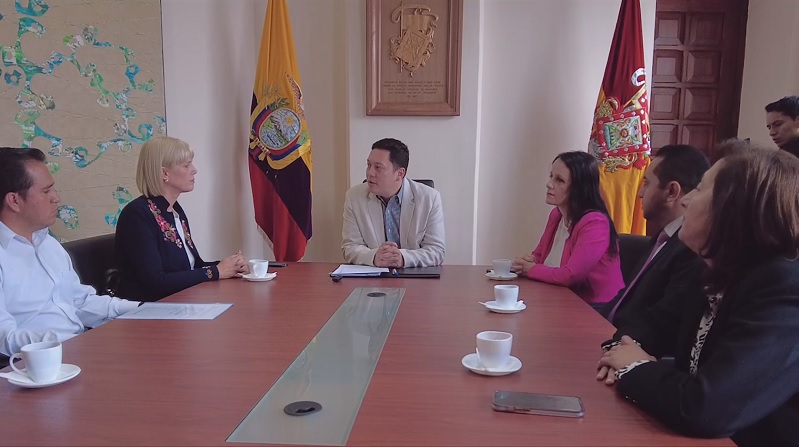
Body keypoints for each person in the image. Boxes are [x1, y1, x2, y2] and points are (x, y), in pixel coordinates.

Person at [597, 148, 799, 445]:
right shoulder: (711, 269)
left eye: (701, 189)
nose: (686, 200)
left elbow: (706, 407)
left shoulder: (784, 290)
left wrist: (634, 367)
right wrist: (620, 351)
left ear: (734, 209)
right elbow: (653, 323)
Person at [0, 147, 141, 357]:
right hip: (39, 362)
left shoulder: (48, 244)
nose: (56, 198)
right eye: (46, 191)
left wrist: (139, 309)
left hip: (80, 347)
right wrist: (62, 341)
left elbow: (80, 302)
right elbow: (4, 338)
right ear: (14, 201)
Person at [115, 137, 246, 301]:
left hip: (181, 301)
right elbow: (156, 282)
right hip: (152, 309)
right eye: (186, 165)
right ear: (164, 173)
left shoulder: (175, 210)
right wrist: (217, 271)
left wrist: (231, 266)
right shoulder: (138, 215)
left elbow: (193, 267)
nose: (194, 170)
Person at [602, 145, 709, 327]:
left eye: (646, 183)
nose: (640, 193)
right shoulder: (662, 237)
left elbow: (661, 321)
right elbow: (625, 300)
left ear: (671, 192)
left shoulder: (689, 249)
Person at [512, 151, 623, 308]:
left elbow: (571, 275)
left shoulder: (595, 223)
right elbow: (539, 255)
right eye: (551, 176)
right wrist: (528, 262)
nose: (549, 184)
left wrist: (531, 269)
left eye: (559, 180)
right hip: (558, 297)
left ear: (579, 187)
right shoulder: (557, 214)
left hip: (595, 307)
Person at [341, 138, 445, 268]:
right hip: (373, 275)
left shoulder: (429, 198)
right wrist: (374, 257)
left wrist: (403, 258)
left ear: (399, 173)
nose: (370, 173)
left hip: (415, 275)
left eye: (378, 167)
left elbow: (436, 250)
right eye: (369, 165)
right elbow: (350, 247)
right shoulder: (354, 197)